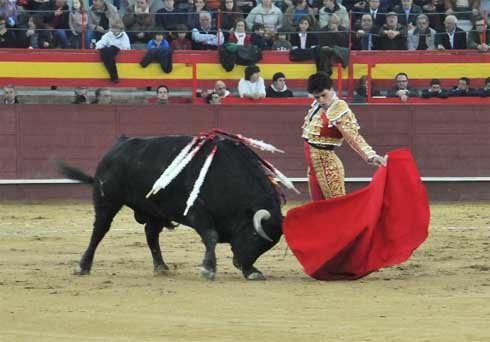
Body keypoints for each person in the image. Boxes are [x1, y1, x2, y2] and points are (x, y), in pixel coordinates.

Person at [302, 71, 386, 200]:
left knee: (336, 208)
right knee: (318, 208)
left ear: (331, 89)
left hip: (328, 167)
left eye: (324, 95)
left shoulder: (339, 107)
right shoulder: (317, 106)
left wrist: (371, 156)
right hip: (313, 168)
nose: (321, 100)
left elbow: (352, 135)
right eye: (317, 97)